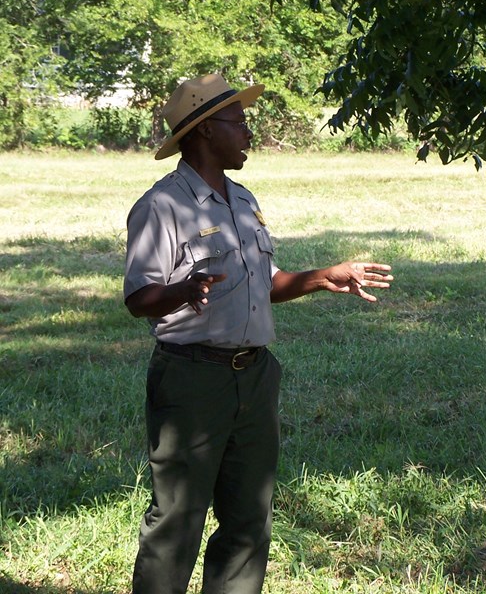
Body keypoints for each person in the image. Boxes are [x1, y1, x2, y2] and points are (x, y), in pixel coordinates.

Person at [123, 73, 393, 594]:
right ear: (203, 131)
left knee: (249, 520)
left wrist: (323, 277)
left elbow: (265, 284)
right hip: (192, 379)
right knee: (177, 522)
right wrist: (183, 290)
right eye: (239, 121)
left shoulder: (243, 201)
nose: (249, 133)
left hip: (256, 376)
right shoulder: (163, 206)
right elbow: (138, 298)